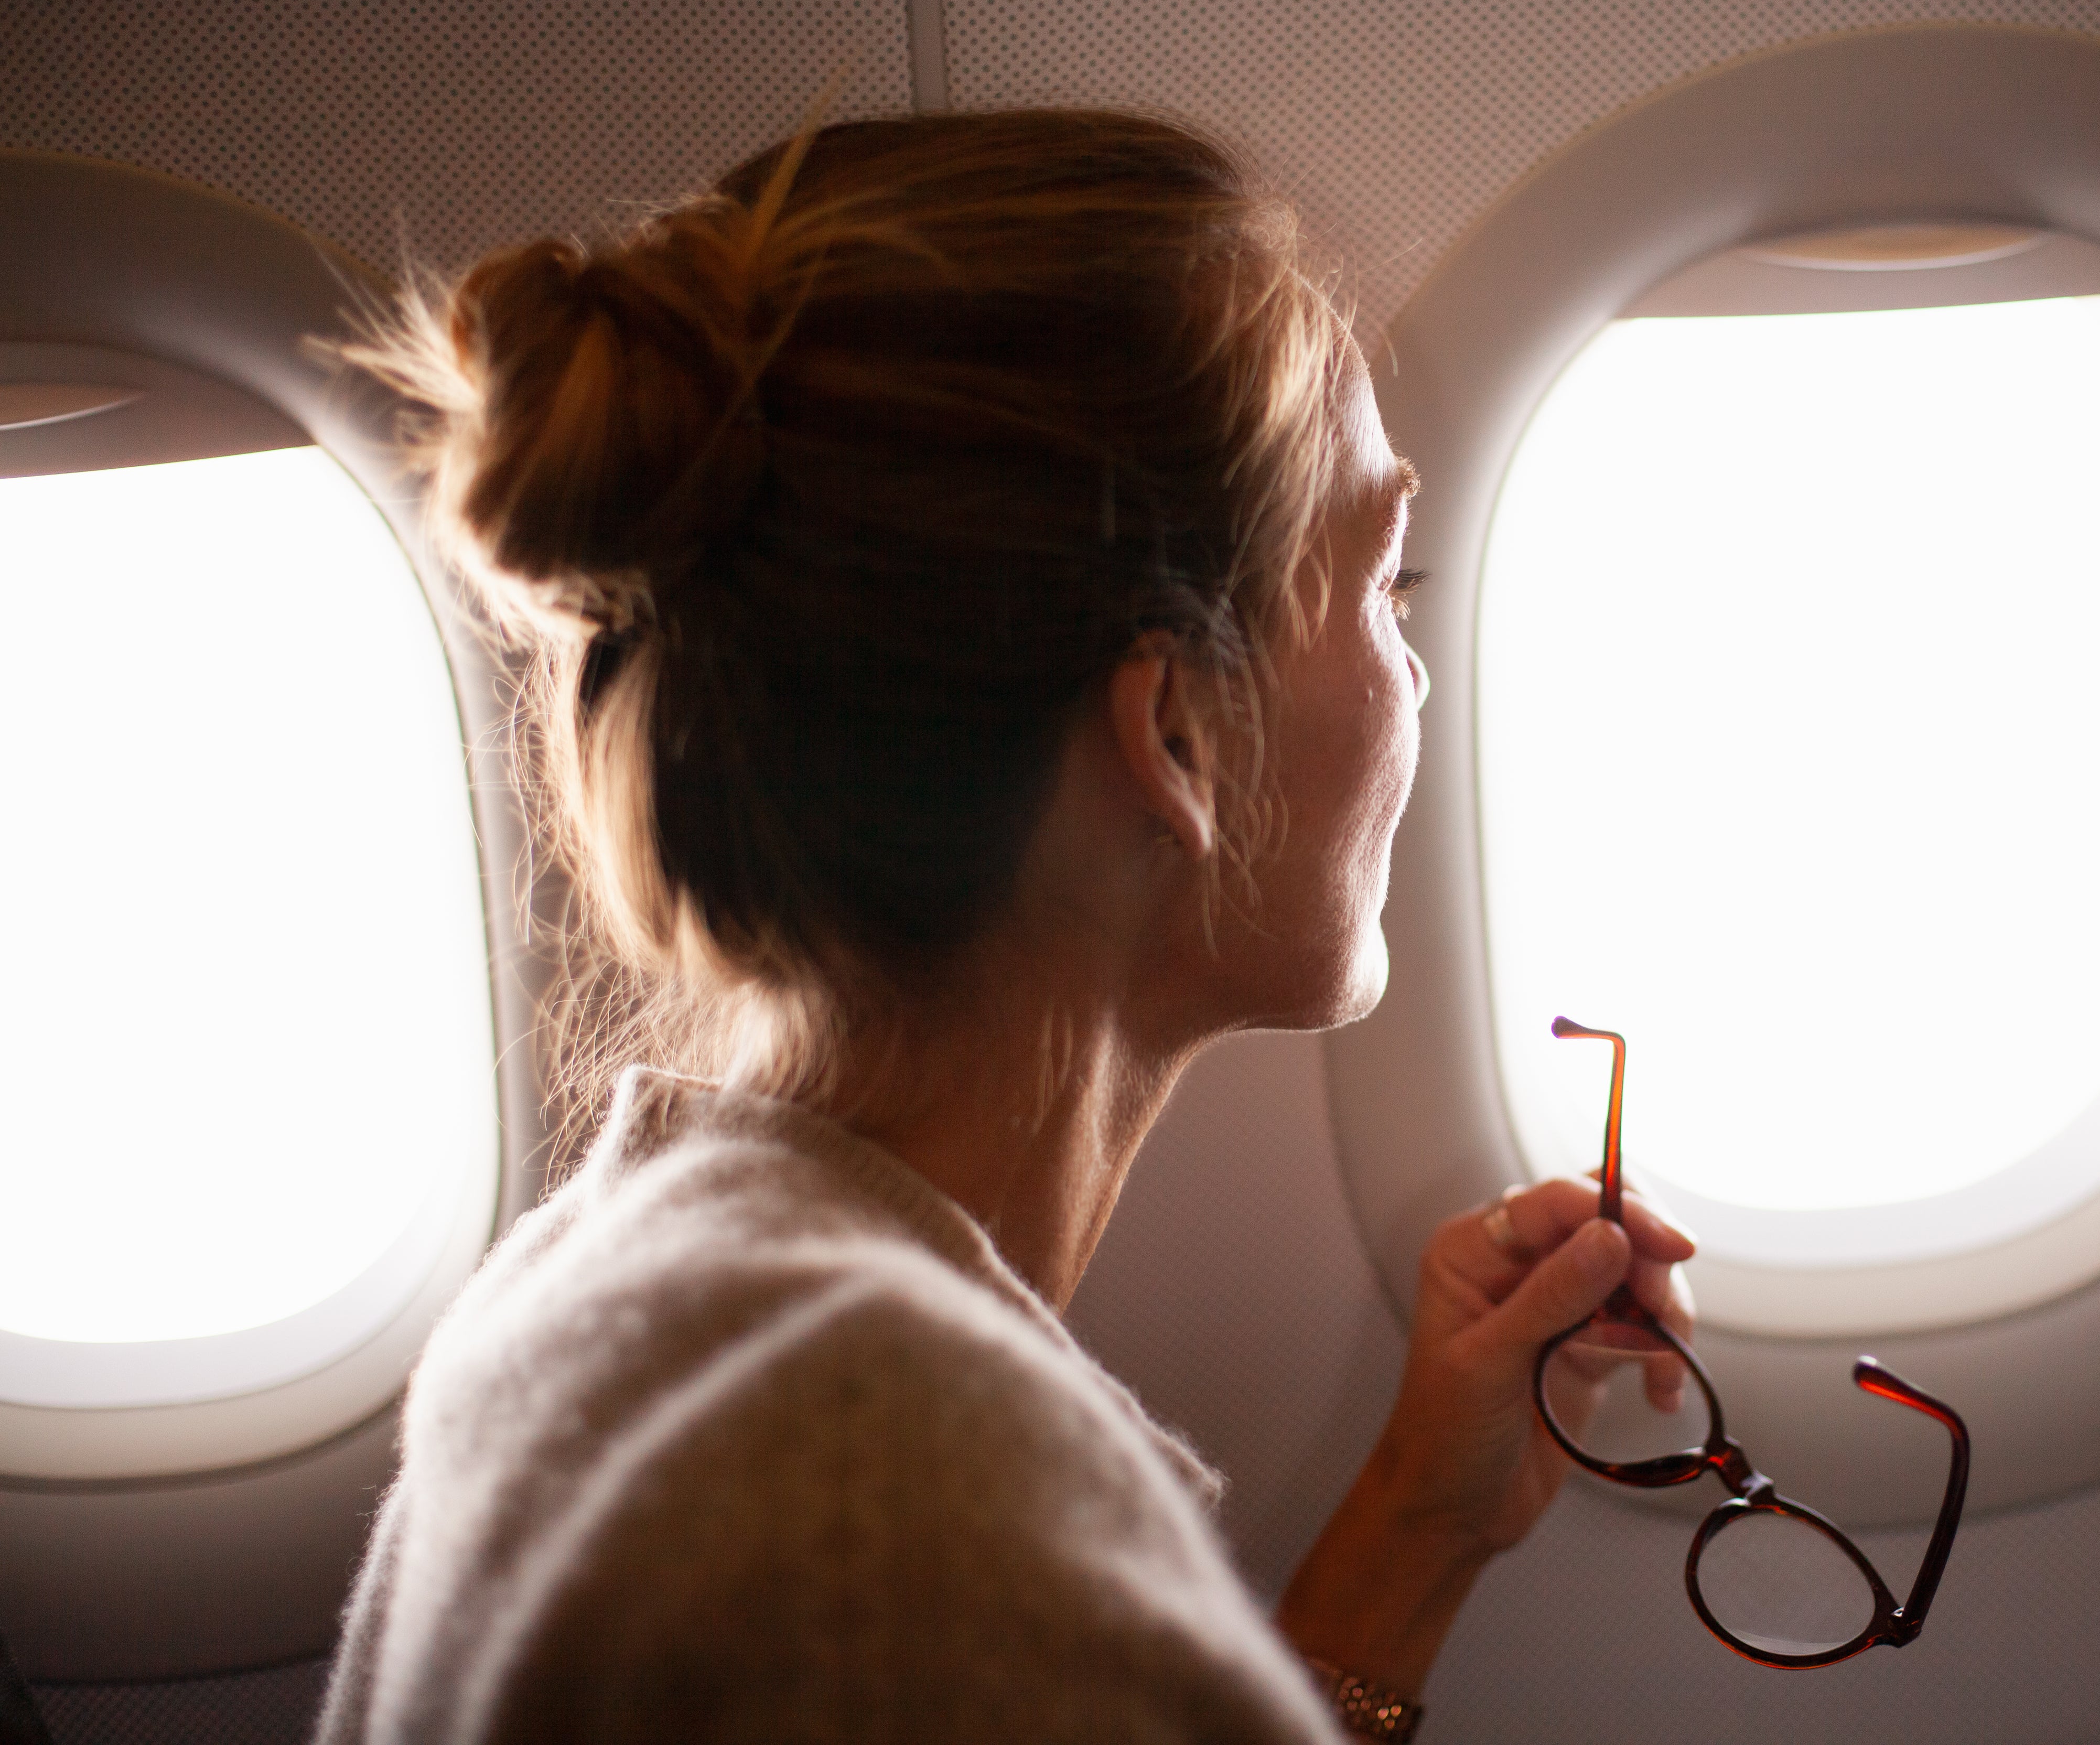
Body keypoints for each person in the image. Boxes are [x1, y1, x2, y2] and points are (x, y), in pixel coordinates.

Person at [315, 109, 1696, 1744]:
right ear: (1175, 734)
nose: (1415, 677)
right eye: (1381, 587)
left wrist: (1421, 1522)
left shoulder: (620, 1300)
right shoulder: (905, 1521)